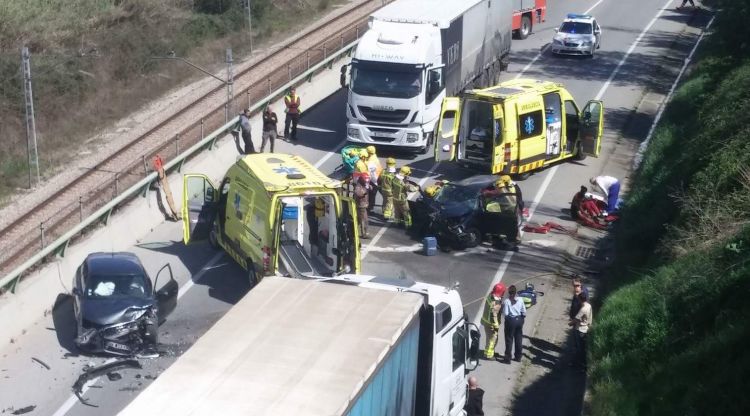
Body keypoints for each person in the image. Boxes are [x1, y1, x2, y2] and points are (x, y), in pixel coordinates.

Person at [569, 290, 592, 371]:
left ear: (580, 299)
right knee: (582, 348)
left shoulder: (583, 309)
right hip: (585, 329)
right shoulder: (588, 305)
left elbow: (575, 320)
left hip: (580, 330)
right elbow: (590, 317)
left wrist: (570, 323)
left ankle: (580, 365)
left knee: (579, 348)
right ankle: (581, 365)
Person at [481, 283, 506, 359]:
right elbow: (494, 315)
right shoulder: (496, 303)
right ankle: (489, 355)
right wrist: (495, 325)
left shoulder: (490, 296)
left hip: (486, 321)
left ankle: (489, 352)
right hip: (491, 324)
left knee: (490, 339)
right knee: (493, 339)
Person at [502, 285, 527, 363]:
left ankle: (507, 358)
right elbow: (524, 311)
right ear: (516, 292)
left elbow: (505, 313)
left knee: (509, 339)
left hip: (511, 321)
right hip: (519, 320)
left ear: (509, 293)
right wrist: (521, 318)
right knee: (518, 339)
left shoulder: (507, 301)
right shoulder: (520, 299)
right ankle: (518, 357)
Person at [366, 146, 383, 212]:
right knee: (374, 194)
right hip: (378, 177)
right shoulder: (374, 157)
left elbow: (372, 174)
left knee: (372, 194)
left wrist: (371, 182)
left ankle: (370, 208)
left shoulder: (371, 161)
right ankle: (371, 207)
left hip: (374, 180)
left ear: (369, 153)